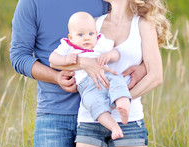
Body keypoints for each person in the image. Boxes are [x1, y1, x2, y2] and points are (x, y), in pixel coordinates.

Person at [10, 0, 146, 147]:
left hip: (105, 114)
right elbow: (19, 57)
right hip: (55, 114)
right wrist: (55, 77)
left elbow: (132, 33)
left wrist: (142, 67)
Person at [73, 0, 174, 147]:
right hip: (91, 118)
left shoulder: (143, 25)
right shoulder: (94, 24)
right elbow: (75, 57)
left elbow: (155, 76)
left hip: (129, 122)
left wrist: (118, 102)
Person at [49, 11, 131, 140]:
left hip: (106, 75)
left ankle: (123, 106)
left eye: (91, 34)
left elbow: (116, 54)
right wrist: (65, 60)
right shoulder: (68, 46)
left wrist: (108, 55)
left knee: (119, 83)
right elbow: (52, 59)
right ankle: (114, 127)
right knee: (93, 104)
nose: (87, 38)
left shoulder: (100, 42)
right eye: (80, 34)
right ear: (71, 37)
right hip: (86, 85)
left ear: (96, 34)